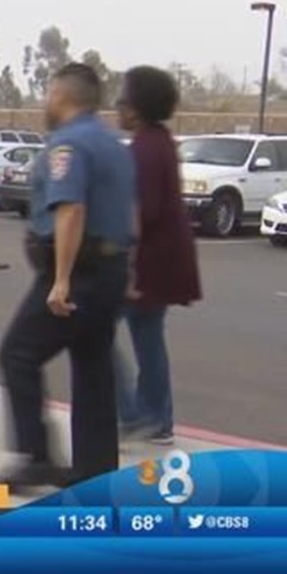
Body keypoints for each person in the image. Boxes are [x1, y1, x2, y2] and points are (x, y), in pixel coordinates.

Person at [0, 63, 136, 491]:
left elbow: (71, 209)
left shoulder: (69, 144)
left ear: (62, 96)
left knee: (18, 353)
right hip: (110, 271)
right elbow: (130, 210)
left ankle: (36, 457)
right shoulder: (113, 144)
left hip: (77, 274)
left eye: (49, 93)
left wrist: (61, 280)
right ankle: (95, 472)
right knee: (93, 368)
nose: (46, 101)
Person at [112, 66, 202, 446]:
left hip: (148, 264)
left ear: (137, 107)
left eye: (122, 98)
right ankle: (155, 419)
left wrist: (128, 270)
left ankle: (139, 416)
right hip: (162, 260)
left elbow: (140, 215)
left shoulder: (145, 150)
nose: (116, 105)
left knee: (96, 331)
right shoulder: (160, 141)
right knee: (148, 338)